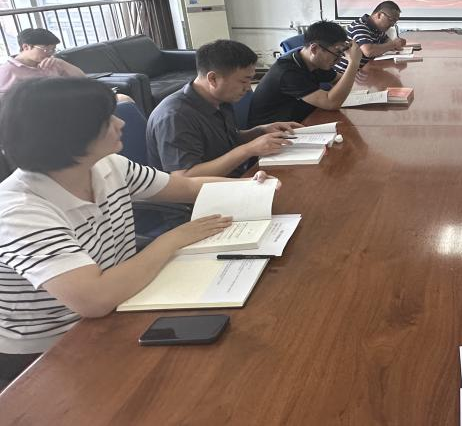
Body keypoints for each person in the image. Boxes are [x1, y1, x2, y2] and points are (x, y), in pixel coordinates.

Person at [0, 77, 278, 381]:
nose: (120, 123)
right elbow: (94, 299)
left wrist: (250, 187)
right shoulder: (21, 211)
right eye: (106, 119)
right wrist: (172, 240)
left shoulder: (108, 166)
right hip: (50, 347)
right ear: (70, 135)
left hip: (121, 303)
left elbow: (185, 187)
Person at [146, 40, 301, 177]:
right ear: (213, 79)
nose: (248, 88)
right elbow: (185, 177)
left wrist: (259, 131)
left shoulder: (220, 99)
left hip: (232, 178)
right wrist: (248, 150)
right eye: (243, 81)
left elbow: (223, 140)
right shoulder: (175, 116)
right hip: (198, 197)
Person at [247, 20, 362, 127]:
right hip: (273, 133)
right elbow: (331, 103)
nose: (339, 60)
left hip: (301, 120)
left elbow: (338, 79)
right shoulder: (288, 72)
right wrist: (353, 63)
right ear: (314, 49)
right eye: (337, 53)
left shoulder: (314, 62)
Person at [0, 28, 85, 96]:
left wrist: (62, 63)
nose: (51, 53)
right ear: (26, 47)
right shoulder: (7, 70)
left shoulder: (53, 62)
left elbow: (82, 79)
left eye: (53, 49)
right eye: (46, 49)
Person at [332, 1, 407, 75]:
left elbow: (388, 43)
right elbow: (369, 51)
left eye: (395, 21)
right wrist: (393, 44)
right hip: (343, 74)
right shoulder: (360, 27)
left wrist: (396, 45)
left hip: (361, 71)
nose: (392, 24)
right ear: (379, 15)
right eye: (391, 20)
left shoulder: (377, 28)